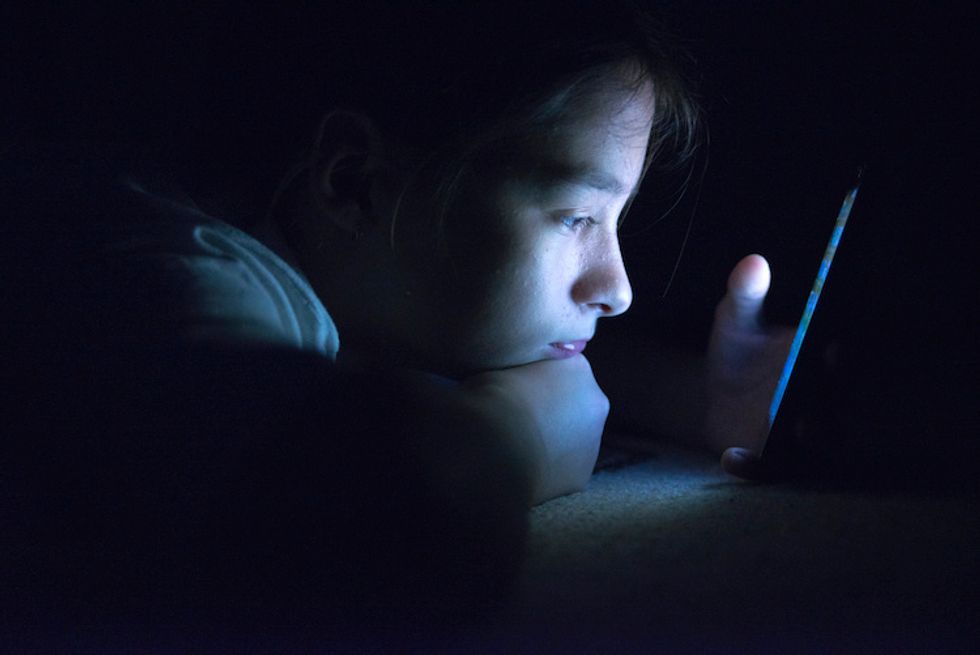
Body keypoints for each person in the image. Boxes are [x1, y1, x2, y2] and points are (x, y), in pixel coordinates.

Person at [2, 1, 793, 627]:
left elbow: (466, 348)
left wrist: (702, 400)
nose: (617, 287)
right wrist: (509, 438)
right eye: (575, 216)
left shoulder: (345, 278)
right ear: (357, 182)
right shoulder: (189, 279)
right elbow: (388, 525)